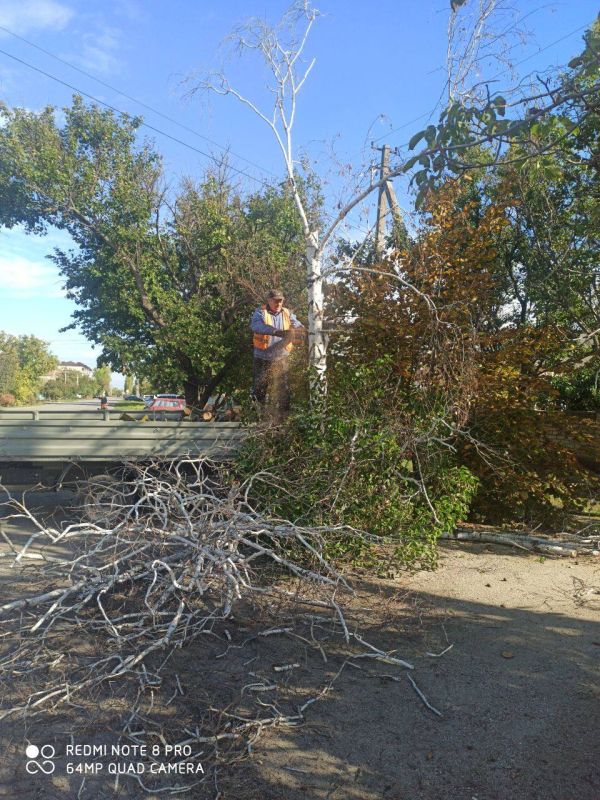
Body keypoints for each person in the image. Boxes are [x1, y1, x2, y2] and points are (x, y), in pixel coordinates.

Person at [251, 288, 304, 418]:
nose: (278, 304)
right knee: (260, 387)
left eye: (280, 301)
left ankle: (283, 417)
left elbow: (298, 325)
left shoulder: (287, 313)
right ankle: (258, 416)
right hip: (262, 358)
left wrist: (302, 331)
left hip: (281, 357)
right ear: (269, 300)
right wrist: (276, 332)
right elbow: (256, 326)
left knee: (283, 388)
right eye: (275, 301)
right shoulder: (260, 313)